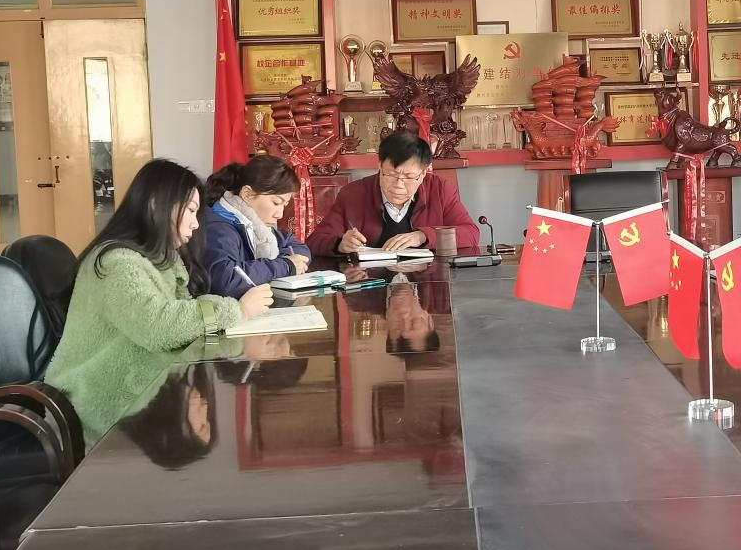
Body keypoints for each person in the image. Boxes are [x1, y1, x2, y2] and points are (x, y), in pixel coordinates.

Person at [45, 159, 273, 414]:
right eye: (190, 210)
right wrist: (238, 311)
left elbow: (180, 313)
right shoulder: (116, 262)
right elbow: (157, 326)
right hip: (100, 399)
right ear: (156, 204)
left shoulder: (161, 260)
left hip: (139, 388)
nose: (196, 224)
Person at [307, 131, 478, 255]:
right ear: (380, 166)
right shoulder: (353, 193)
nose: (398, 185)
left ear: (423, 173)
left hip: (427, 284)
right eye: (391, 175)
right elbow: (315, 241)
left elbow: (471, 234)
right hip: (370, 285)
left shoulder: (440, 190)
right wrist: (340, 244)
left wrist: (423, 236)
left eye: (409, 177)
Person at [204, 155, 311, 298]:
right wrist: (285, 266)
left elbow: (297, 246)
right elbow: (225, 280)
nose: (279, 214)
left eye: (284, 205)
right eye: (276, 203)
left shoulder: (256, 225)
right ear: (247, 194)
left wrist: (288, 260)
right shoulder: (219, 228)